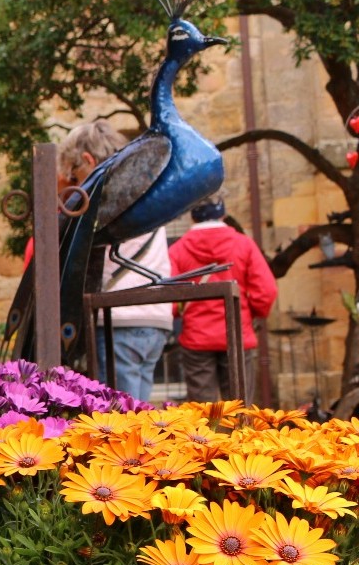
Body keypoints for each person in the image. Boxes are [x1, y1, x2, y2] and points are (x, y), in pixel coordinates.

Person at [54, 120, 173, 402]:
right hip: (156, 317)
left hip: (119, 319)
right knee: (138, 414)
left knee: (121, 425)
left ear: (87, 160)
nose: (75, 186)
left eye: (74, 176)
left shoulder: (104, 197)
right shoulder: (143, 187)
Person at [169, 194, 278, 401]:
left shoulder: (178, 249)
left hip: (197, 338)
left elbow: (170, 298)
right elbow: (266, 290)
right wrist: (251, 314)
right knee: (240, 409)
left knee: (204, 414)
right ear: (223, 214)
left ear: (192, 217)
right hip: (237, 334)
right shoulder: (244, 245)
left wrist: (179, 313)